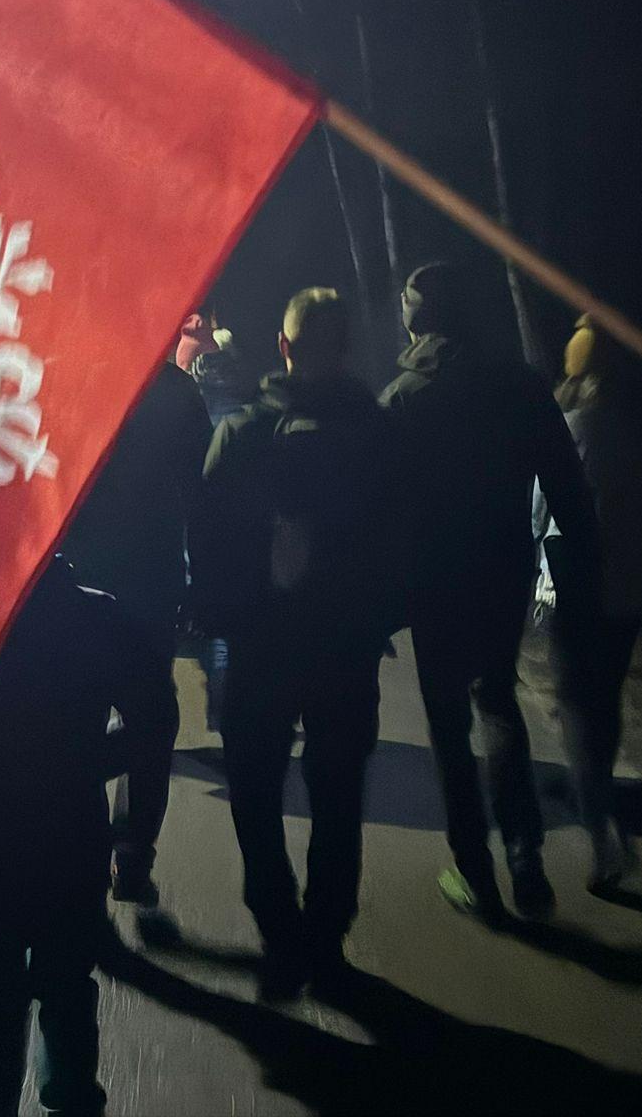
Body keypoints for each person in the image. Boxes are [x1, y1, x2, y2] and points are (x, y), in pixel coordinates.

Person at [378, 263, 599, 923]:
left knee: (449, 727)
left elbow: (377, 509)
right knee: (498, 702)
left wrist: (378, 596)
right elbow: (566, 483)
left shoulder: (403, 397)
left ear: (415, 321)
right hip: (504, 568)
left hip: (433, 582)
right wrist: (582, 565)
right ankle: (527, 861)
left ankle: (475, 873)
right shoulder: (520, 385)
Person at [190, 287, 394, 993]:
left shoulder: (242, 433)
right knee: (337, 790)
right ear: (345, 347)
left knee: (254, 786)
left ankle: (278, 926)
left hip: (260, 644)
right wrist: (378, 617)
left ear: (283, 346)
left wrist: (218, 619)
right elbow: (403, 534)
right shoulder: (375, 432)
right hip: (345, 645)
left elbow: (206, 539)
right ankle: (327, 931)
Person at [0, 561, 146, 1116]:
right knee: (67, 988)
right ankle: (71, 1096)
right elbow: (153, 722)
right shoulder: (100, 616)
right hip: (70, 846)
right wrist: (83, 768)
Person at [60, 354, 211, 935]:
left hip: (75, 584)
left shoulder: (75, 377)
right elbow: (200, 497)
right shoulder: (178, 394)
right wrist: (202, 586)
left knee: (78, 721)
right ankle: (130, 855)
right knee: (151, 721)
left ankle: (80, 860)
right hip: (148, 586)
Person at [549, 314, 642, 890]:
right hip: (627, 592)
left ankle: (602, 832)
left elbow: (553, 518)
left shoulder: (573, 431)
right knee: (604, 703)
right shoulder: (637, 432)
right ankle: (597, 794)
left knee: (576, 706)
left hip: (580, 591)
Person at [177, 306, 258, 732]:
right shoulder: (250, 422)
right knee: (233, 623)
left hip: (199, 536)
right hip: (242, 538)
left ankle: (219, 698)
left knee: (212, 620)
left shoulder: (190, 421)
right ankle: (228, 705)